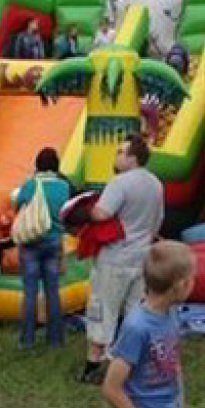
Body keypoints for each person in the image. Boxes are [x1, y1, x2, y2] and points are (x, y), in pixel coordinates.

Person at [81, 133, 164, 383]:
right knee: (134, 312)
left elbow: (101, 213)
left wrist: (83, 209)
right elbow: (158, 221)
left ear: (132, 158)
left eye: (120, 152)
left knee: (103, 308)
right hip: (141, 255)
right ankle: (131, 365)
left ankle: (94, 365)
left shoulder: (120, 182)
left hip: (115, 255)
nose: (116, 156)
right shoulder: (155, 184)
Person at [101, 241, 195, 408]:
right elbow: (111, 387)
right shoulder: (137, 327)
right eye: (192, 278)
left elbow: (173, 362)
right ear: (181, 285)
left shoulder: (171, 313)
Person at [14, 147, 71, 349]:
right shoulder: (64, 187)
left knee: (30, 291)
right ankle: (55, 339)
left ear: (37, 165)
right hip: (53, 241)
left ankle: (27, 339)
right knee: (52, 291)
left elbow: (18, 205)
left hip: (31, 242)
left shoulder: (30, 185)